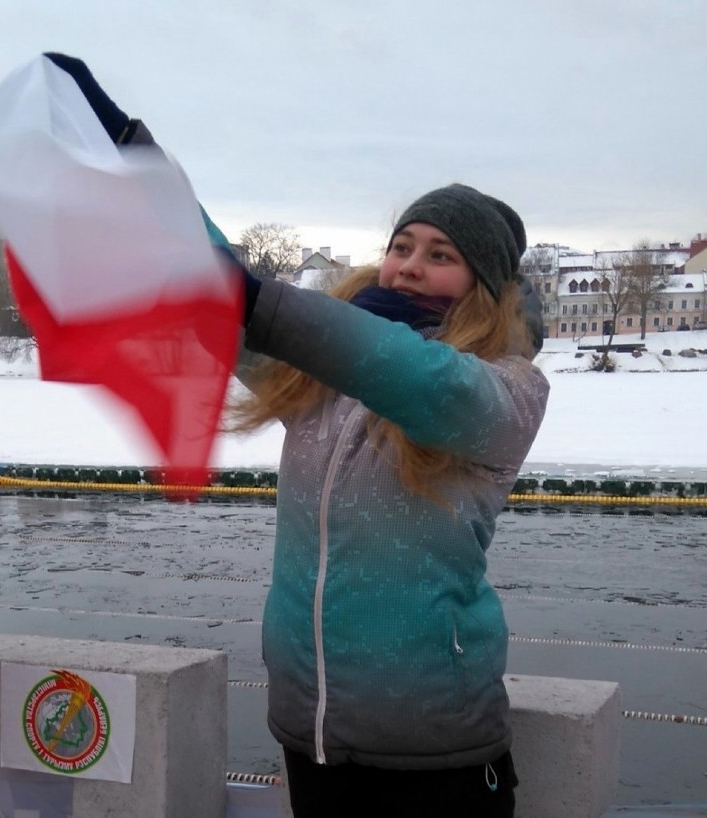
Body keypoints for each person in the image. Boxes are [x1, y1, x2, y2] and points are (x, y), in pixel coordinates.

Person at [46, 54, 549, 818]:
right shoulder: (318, 374)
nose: (409, 267)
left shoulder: (504, 390)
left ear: (484, 285)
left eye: (441, 256)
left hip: (435, 753)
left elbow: (416, 377)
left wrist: (254, 301)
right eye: (403, 245)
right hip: (310, 736)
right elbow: (214, 279)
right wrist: (131, 151)